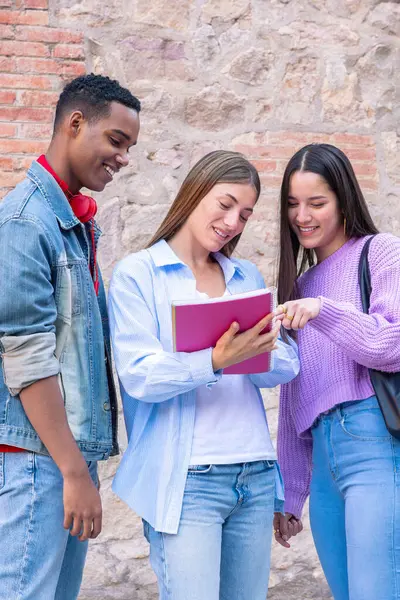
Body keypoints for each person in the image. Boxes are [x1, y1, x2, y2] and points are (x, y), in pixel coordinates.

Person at [108, 150, 299, 600]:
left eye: (246, 214)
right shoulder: (139, 274)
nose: (234, 221)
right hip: (188, 481)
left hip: (253, 476)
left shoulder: (245, 276)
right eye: (225, 204)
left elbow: (288, 367)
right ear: (195, 193)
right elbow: (140, 376)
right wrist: (215, 360)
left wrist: (256, 350)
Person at [0, 74, 141, 600]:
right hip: (38, 460)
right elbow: (27, 360)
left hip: (60, 458)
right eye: (116, 141)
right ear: (75, 123)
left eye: (128, 147)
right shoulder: (25, 221)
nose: (123, 158)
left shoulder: (71, 221)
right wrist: (73, 471)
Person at [273, 143, 400, 600]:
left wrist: (322, 311)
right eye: (292, 204)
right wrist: (289, 495)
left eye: (316, 203)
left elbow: (392, 344)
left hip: (374, 446)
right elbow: (294, 399)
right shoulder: (302, 285)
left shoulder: (381, 253)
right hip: (323, 461)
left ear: (344, 200)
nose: (302, 215)